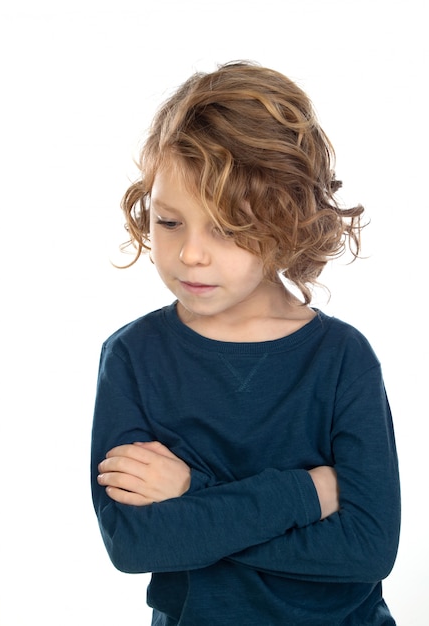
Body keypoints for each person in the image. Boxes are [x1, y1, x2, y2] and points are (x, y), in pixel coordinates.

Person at [91, 61, 401, 626]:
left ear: (289, 222)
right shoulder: (134, 357)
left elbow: (367, 549)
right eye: (169, 221)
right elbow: (135, 544)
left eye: (227, 229)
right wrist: (307, 495)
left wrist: (191, 495)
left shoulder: (341, 358)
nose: (190, 254)